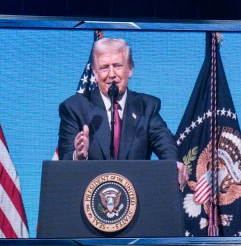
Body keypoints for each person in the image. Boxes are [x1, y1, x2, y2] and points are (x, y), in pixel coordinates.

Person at [57, 36, 186, 186]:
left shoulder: (146, 107)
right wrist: (77, 156)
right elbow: (64, 162)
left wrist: (174, 162)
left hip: (137, 198)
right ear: (95, 72)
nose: (111, 74)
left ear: (130, 69)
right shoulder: (74, 108)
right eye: (104, 67)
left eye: (117, 66)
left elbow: (164, 141)